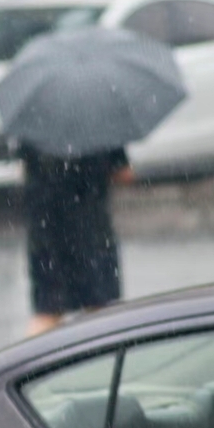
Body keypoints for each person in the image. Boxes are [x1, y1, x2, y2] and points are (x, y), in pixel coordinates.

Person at [20, 143, 133, 337]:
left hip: (47, 230)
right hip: (91, 230)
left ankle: (32, 364)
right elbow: (124, 174)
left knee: (47, 312)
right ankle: (99, 362)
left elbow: (24, 170)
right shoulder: (99, 122)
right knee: (100, 309)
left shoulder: (35, 123)